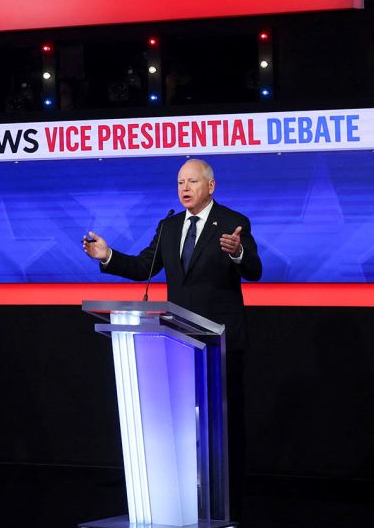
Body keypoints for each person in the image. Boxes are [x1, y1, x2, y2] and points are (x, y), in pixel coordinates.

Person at [83, 157, 260, 495]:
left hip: (220, 339)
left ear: (210, 186)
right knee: (183, 418)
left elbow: (254, 270)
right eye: (180, 183)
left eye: (192, 182)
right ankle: (188, 486)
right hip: (179, 339)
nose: (184, 188)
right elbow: (143, 267)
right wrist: (107, 255)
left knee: (225, 421)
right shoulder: (169, 226)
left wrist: (238, 253)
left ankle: (231, 491)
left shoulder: (234, 223)